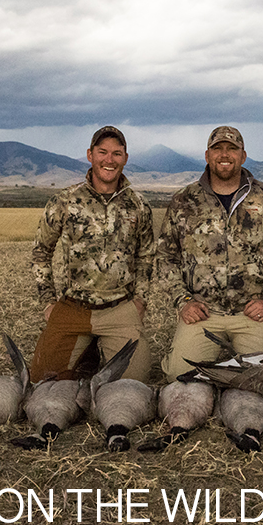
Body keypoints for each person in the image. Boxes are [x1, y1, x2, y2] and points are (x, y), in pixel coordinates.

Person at [156, 126, 263, 380]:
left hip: (252, 314)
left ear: (243, 156)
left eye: (232, 149)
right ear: (207, 155)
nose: (225, 154)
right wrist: (183, 301)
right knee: (179, 377)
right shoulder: (184, 201)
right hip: (202, 313)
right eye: (218, 148)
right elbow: (165, 257)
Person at [28, 125, 155, 383]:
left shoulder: (139, 204)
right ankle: (87, 354)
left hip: (119, 309)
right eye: (103, 152)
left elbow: (146, 256)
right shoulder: (64, 201)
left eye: (117, 154)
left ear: (125, 158)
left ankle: (96, 350)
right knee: (41, 381)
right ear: (90, 155)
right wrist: (48, 303)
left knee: (134, 384)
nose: (109, 160)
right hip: (74, 307)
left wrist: (140, 301)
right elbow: (41, 251)